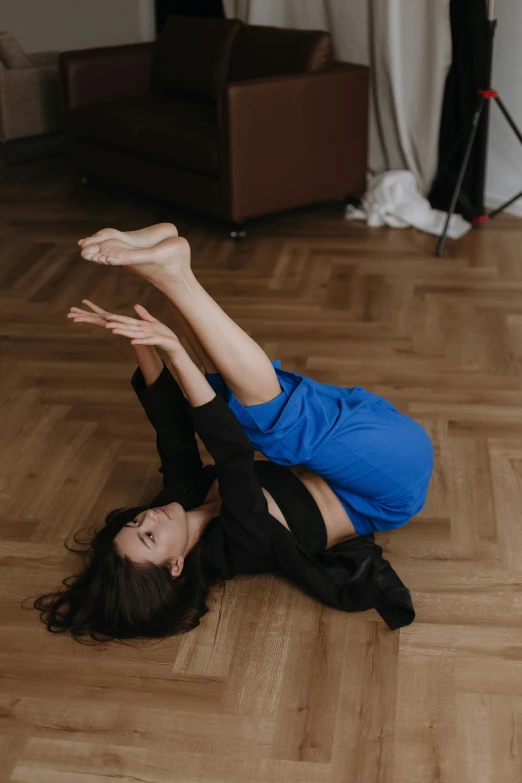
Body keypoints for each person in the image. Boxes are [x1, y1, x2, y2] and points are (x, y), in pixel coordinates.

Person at [34, 224, 433, 642]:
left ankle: (168, 271)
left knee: (230, 403)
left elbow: (171, 427)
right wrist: (173, 350)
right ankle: (173, 275)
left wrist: (138, 340)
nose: (148, 516)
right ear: (175, 566)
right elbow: (232, 455)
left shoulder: (178, 502)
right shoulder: (239, 549)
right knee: (259, 424)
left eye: (134, 522)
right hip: (390, 480)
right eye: (149, 535)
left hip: (344, 437)